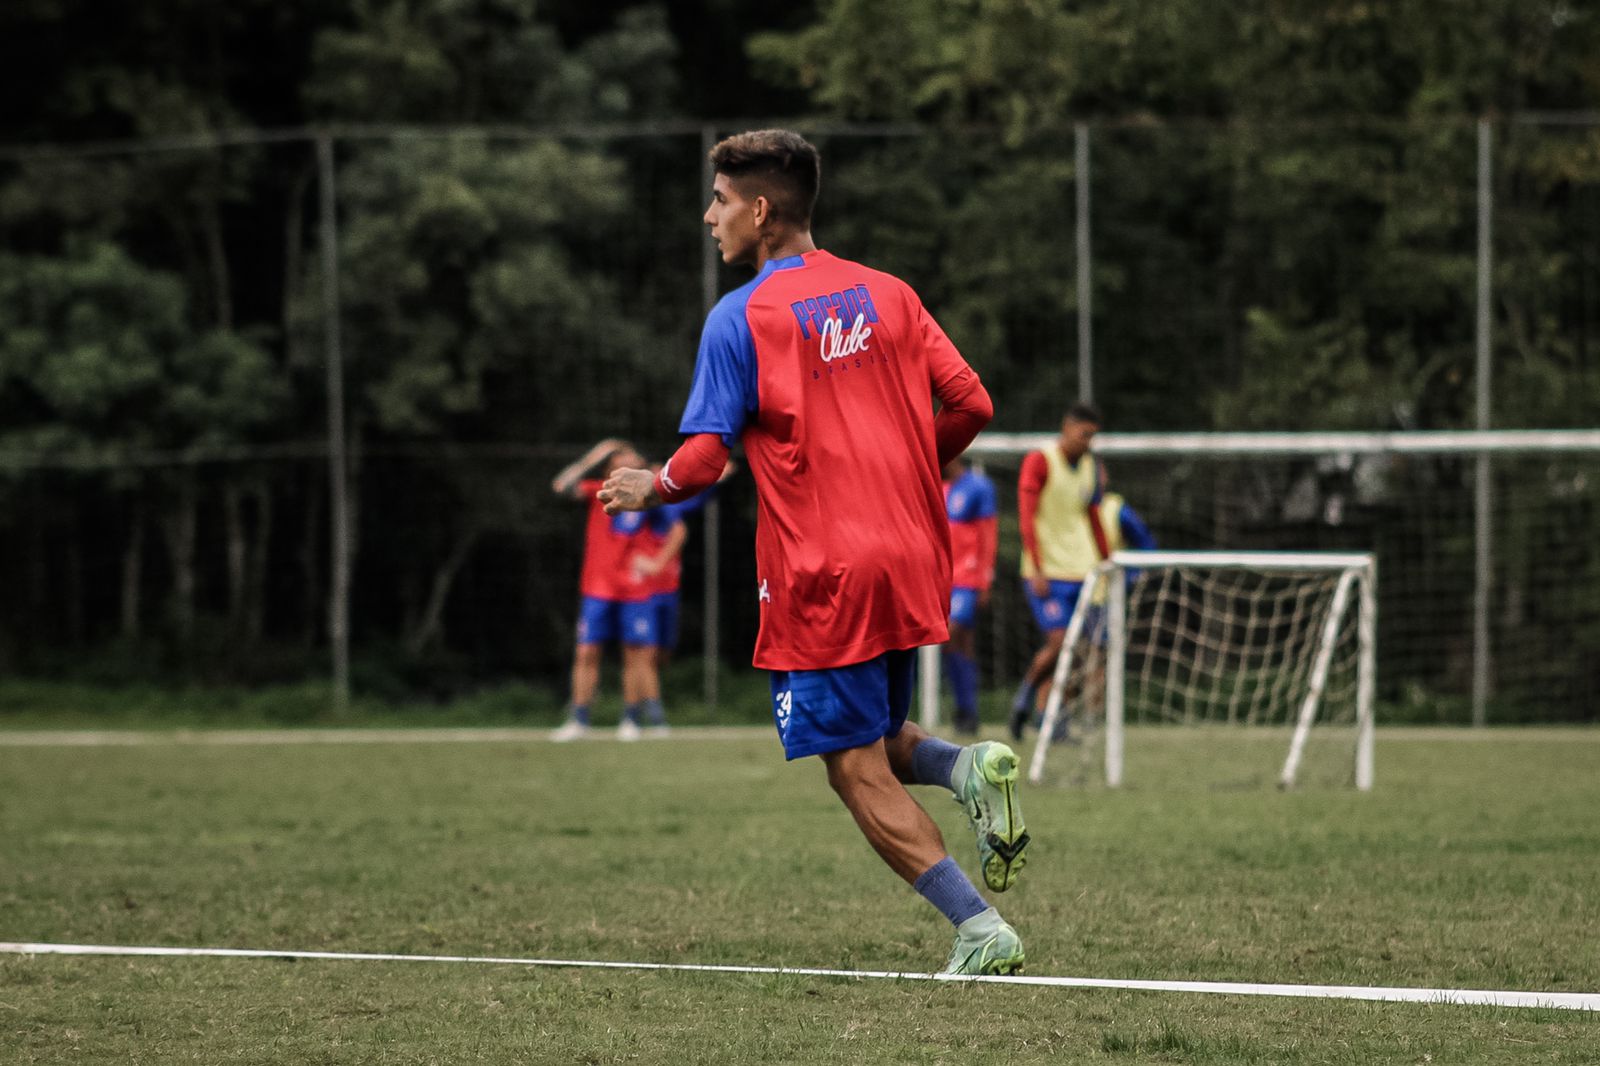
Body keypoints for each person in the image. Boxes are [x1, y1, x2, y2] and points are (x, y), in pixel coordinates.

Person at [598, 129, 1028, 976]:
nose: (709, 216)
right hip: (912, 549)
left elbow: (706, 456)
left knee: (848, 764)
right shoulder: (890, 293)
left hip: (822, 569)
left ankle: (979, 929)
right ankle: (967, 765)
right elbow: (972, 401)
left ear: (760, 212)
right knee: (873, 730)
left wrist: (652, 485)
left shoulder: (743, 317)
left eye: (719, 201)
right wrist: (905, 468)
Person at [549, 439, 667, 742]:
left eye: (628, 452)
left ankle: (631, 719)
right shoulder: (598, 490)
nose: (623, 456)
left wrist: (656, 562)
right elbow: (561, 486)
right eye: (616, 455)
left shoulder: (649, 494)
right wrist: (595, 453)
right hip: (597, 587)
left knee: (634, 654)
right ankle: (579, 718)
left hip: (634, 588)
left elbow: (676, 528)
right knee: (587, 651)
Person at [1009, 403, 1109, 741]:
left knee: (1078, 654)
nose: (1087, 442)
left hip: (1083, 571)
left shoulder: (1090, 466)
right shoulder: (1040, 461)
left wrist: (1107, 562)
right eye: (1084, 434)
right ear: (1067, 427)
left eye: (1093, 437)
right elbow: (1026, 515)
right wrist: (1035, 565)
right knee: (1059, 642)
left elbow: (1093, 518)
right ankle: (1023, 700)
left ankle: (1053, 720)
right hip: (1047, 573)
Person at [942, 457, 998, 735]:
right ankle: (967, 712)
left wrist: (986, 577)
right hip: (942, 578)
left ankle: (966, 709)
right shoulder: (938, 487)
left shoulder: (978, 486)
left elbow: (988, 533)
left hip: (968, 577)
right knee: (961, 644)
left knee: (952, 634)